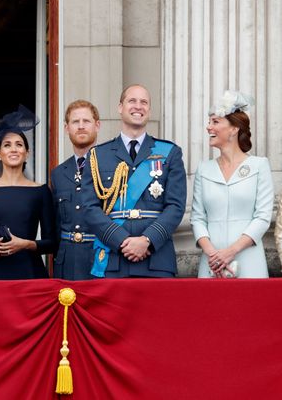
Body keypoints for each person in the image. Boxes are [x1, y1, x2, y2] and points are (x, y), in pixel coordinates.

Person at [82, 84, 186, 278]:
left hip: (156, 258)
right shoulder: (98, 155)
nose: (138, 106)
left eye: (144, 102)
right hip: (113, 258)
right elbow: (89, 207)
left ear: (149, 110)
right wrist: (122, 241)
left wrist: (147, 240)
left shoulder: (170, 152)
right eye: (132, 101)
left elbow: (176, 206)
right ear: (120, 107)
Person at [0, 105, 57, 280]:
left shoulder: (40, 191)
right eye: (7, 145)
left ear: (27, 153)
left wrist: (26, 244)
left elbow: (52, 243)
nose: (14, 149)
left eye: (19, 144)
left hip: (29, 273)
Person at [191, 91, 273, 278]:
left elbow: (262, 217)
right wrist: (214, 255)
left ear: (234, 129)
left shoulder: (259, 166)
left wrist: (230, 252)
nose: (208, 127)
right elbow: (197, 218)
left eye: (215, 122)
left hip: (249, 260)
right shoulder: (204, 169)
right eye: (209, 122)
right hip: (211, 263)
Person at [50, 100, 101, 280]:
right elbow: (55, 225)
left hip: (100, 259)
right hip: (67, 263)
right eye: (75, 122)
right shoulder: (58, 173)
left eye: (86, 121)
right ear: (66, 128)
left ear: (97, 125)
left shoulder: (112, 166)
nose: (80, 127)